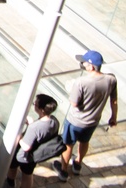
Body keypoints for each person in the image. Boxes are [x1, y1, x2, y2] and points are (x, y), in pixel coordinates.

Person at [52, 50, 117, 181]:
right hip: (93, 121)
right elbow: (113, 100)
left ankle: (64, 171)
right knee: (84, 142)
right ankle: (78, 164)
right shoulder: (111, 79)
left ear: (91, 66)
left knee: (68, 145)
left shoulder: (81, 82)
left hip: (75, 121)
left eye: (84, 62)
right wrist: (113, 117)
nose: (82, 64)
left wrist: (70, 88)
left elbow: (74, 103)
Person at [7, 93, 60, 188]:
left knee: (12, 166)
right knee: (28, 174)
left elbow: (26, 146)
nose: (34, 104)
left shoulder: (35, 127)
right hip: (36, 154)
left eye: (35, 104)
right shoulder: (54, 121)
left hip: (24, 155)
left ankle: (10, 183)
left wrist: (19, 137)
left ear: (42, 110)